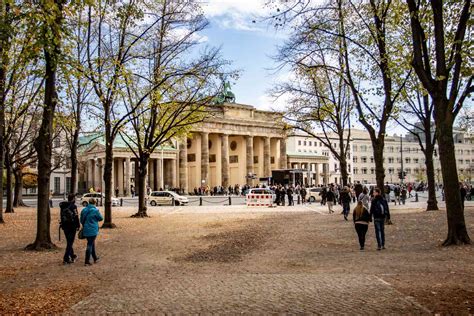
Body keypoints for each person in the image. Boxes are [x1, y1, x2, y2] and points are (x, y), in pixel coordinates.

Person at [80, 198, 104, 266]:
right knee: (90, 244)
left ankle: (95, 258)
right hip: (93, 229)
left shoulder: (84, 210)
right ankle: (87, 261)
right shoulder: (95, 210)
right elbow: (101, 218)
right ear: (94, 203)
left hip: (86, 229)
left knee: (91, 242)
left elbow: (81, 220)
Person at [59, 194, 80, 264]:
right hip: (72, 226)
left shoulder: (62, 206)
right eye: (75, 198)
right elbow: (76, 217)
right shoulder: (74, 207)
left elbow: (61, 216)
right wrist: (78, 225)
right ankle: (66, 258)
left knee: (69, 242)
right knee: (70, 242)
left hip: (65, 226)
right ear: (73, 199)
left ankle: (72, 255)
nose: (76, 199)